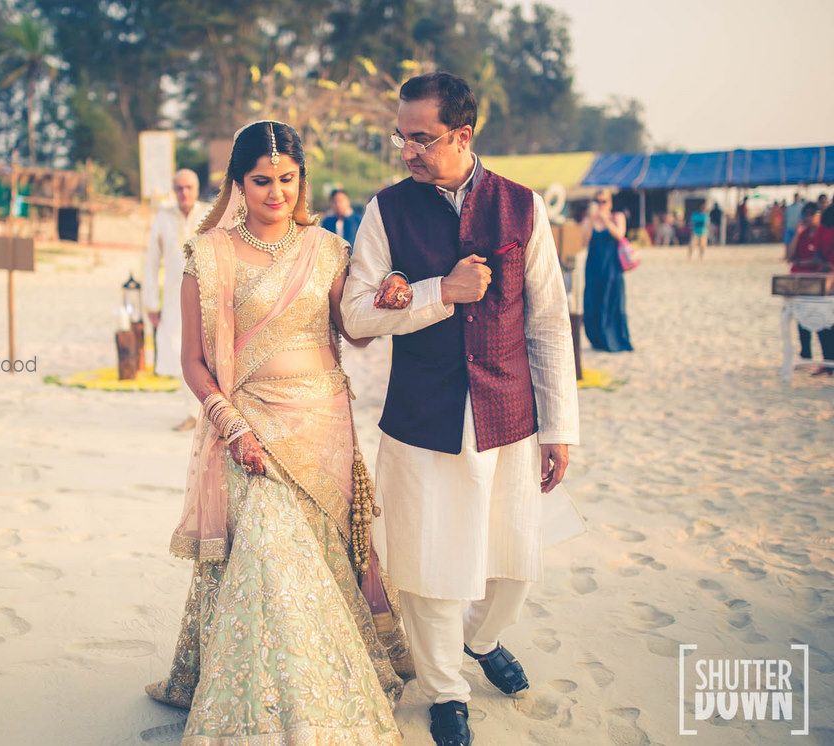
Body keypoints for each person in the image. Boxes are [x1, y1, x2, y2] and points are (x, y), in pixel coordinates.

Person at [144, 121, 412, 744]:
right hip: (247, 428)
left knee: (315, 558)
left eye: (287, 180)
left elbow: (358, 332)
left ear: (301, 179)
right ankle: (269, 708)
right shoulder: (205, 255)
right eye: (262, 181)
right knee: (269, 548)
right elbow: (193, 363)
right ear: (237, 183)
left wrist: (392, 294)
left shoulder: (325, 250)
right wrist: (231, 426)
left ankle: (319, 694)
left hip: (321, 426)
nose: (276, 193)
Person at [341, 72, 579, 746]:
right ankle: (445, 688)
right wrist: (436, 291)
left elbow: (549, 324)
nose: (407, 151)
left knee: (513, 563)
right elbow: (356, 315)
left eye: (421, 138)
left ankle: (483, 639)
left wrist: (560, 427)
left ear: (463, 135)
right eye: (401, 137)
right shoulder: (385, 211)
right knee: (429, 564)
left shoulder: (522, 207)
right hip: (421, 417)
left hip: (509, 413)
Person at [143, 169, 210, 431]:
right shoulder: (163, 218)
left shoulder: (209, 214)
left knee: (210, 353)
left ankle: (207, 414)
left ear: (196, 188)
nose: (184, 193)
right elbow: (150, 262)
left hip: (208, 295)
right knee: (181, 351)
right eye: (179, 188)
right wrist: (151, 303)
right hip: (174, 297)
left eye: (189, 187)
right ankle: (192, 412)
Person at [582, 189, 633, 352]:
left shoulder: (617, 217)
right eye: (597, 201)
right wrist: (591, 219)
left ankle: (616, 339)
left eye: (604, 201)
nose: (600, 204)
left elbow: (620, 235)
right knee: (593, 301)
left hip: (612, 267)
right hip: (594, 267)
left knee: (613, 301)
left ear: (610, 203)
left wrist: (606, 220)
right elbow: (584, 241)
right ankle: (598, 339)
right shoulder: (589, 220)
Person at [786, 202, 833, 374]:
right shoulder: (804, 234)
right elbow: (790, 257)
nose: (807, 217)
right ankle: (807, 354)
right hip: (803, 282)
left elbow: (822, 261)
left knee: (825, 323)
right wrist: (797, 234)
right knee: (802, 318)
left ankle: (828, 361)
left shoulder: (825, 233)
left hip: (822, 283)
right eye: (805, 214)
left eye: (811, 214)